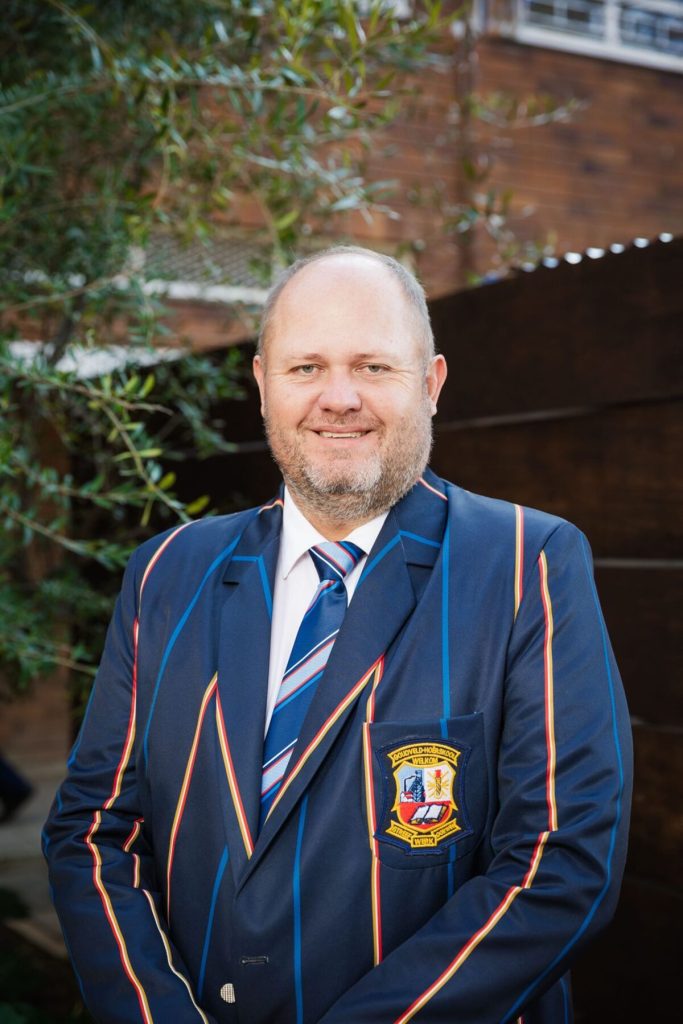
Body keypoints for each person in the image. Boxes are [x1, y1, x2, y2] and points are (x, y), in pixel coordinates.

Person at [44, 246, 632, 1024]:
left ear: (430, 384)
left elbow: (561, 863)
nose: (339, 397)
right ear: (263, 385)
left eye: (373, 367)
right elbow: (94, 832)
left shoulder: (528, 563)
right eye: (306, 368)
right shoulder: (166, 573)